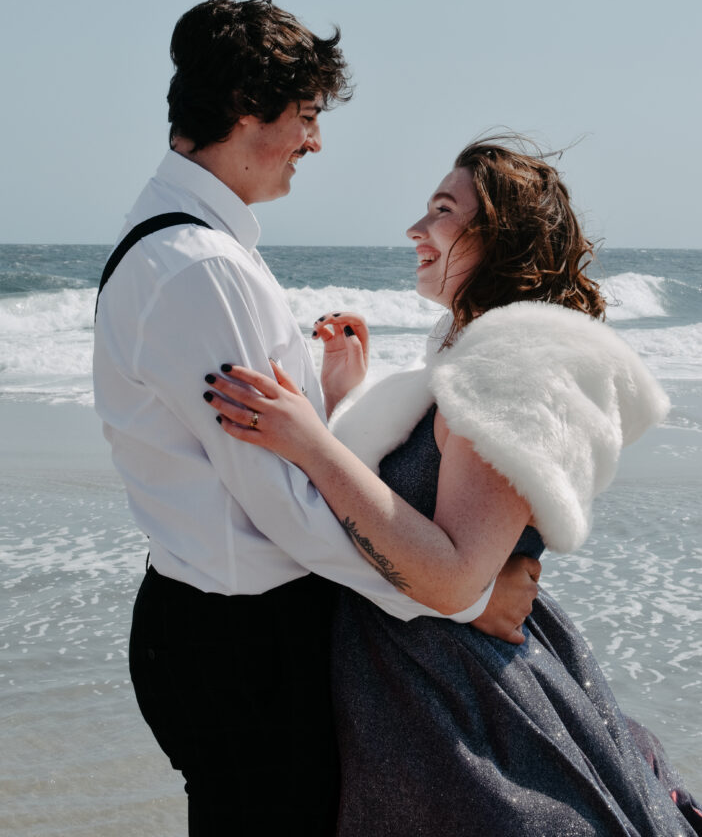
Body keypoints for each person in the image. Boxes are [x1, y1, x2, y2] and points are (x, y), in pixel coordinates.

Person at [93, 0, 538, 835]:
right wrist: (459, 600)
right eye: (306, 115)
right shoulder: (200, 267)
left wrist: (333, 401)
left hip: (218, 627)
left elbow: (262, 470)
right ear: (245, 109)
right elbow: (285, 508)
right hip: (241, 644)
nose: (316, 141)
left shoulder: (186, 243)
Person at [205, 136, 702, 836]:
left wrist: (310, 442)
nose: (416, 229)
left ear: (500, 236)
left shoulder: (509, 374)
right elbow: (420, 500)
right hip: (424, 689)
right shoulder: (467, 361)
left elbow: (453, 576)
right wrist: (348, 398)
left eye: (442, 210)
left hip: (461, 714)